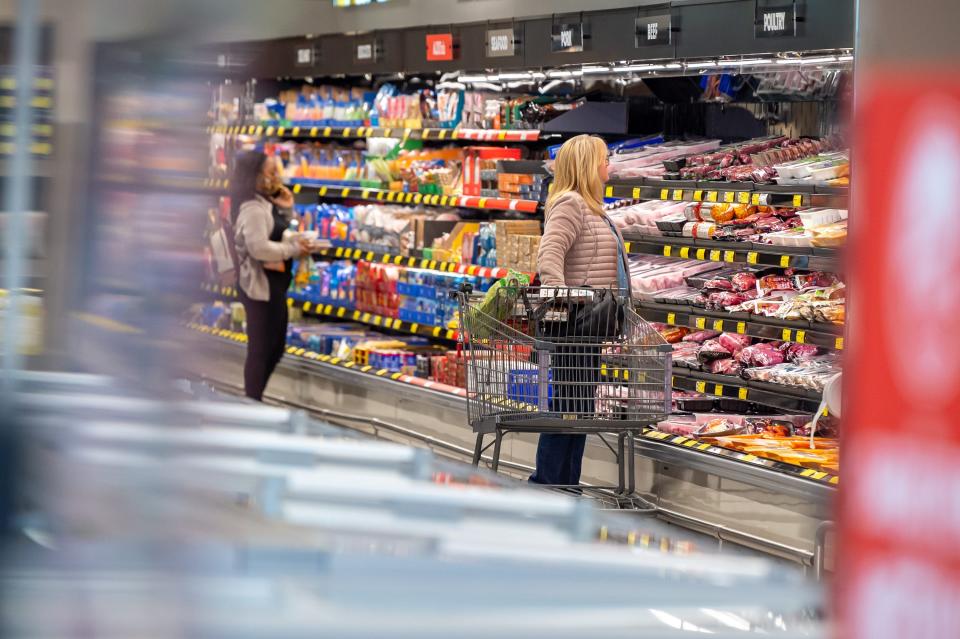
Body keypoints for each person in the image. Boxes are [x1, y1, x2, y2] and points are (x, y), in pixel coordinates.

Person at [530, 134, 631, 486]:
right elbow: (550, 255)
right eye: (605, 158)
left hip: (589, 327)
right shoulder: (571, 204)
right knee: (567, 410)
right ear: (589, 165)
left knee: (578, 410)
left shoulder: (591, 207)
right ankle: (547, 484)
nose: (609, 165)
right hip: (574, 325)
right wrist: (562, 298)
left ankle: (565, 485)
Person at [230, 151, 311, 401]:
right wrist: (294, 250)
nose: (275, 176)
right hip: (259, 287)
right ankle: (252, 400)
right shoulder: (253, 208)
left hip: (271, 286)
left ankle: (253, 398)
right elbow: (259, 248)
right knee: (263, 349)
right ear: (255, 176)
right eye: (270, 172)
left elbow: (278, 233)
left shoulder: (264, 204)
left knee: (273, 347)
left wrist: (286, 210)